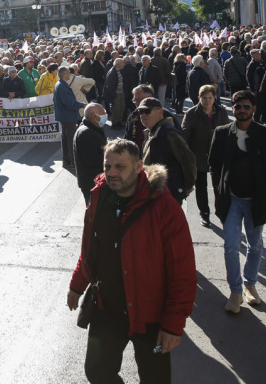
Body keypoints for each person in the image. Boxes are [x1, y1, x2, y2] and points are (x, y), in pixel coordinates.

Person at [67, 139, 196, 384]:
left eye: (120, 167)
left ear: (138, 167)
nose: (111, 173)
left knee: (155, 379)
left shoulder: (165, 207)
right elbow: (91, 249)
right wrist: (77, 284)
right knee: (97, 371)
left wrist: (173, 324)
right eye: (108, 166)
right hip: (108, 309)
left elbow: (182, 270)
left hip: (151, 316)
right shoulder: (98, 197)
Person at [209, 90, 266, 314]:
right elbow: (214, 164)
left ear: (254, 109)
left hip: (256, 201)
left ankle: (251, 284)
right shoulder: (221, 133)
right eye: (237, 106)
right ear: (232, 108)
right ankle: (236, 290)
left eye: (246, 106)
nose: (241, 110)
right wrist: (220, 191)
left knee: (255, 244)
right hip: (231, 200)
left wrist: (265, 194)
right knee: (230, 245)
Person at [183, 85, 230, 227]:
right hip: (198, 155)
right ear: (199, 98)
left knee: (219, 187)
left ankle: (221, 212)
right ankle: (204, 212)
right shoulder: (192, 114)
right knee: (201, 186)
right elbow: (184, 136)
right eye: (204, 98)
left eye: (210, 98)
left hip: (218, 156)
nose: (207, 101)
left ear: (214, 98)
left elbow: (228, 131)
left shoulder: (221, 112)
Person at [137, 97, 197, 205]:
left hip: (169, 194)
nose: (143, 115)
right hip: (154, 192)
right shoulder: (150, 132)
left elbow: (187, 159)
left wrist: (187, 186)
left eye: (147, 111)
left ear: (160, 112)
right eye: (140, 112)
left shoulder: (169, 133)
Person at [73, 103, 107, 204]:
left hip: (95, 180)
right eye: (103, 113)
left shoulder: (93, 128)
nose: (105, 115)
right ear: (93, 116)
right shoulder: (86, 133)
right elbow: (92, 160)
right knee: (94, 213)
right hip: (91, 182)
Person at [54, 67, 85, 170]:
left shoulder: (61, 85)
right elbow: (70, 103)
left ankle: (67, 161)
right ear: (64, 75)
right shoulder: (62, 87)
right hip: (68, 116)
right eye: (68, 73)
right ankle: (72, 162)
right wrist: (82, 105)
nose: (70, 75)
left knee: (66, 139)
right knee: (70, 140)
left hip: (65, 116)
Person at [104, 59, 128, 128]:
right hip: (116, 93)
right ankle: (115, 123)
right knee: (116, 109)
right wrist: (114, 95)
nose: (124, 64)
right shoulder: (112, 73)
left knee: (121, 107)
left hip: (121, 92)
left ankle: (119, 121)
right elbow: (110, 87)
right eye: (122, 63)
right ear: (118, 65)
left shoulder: (118, 70)